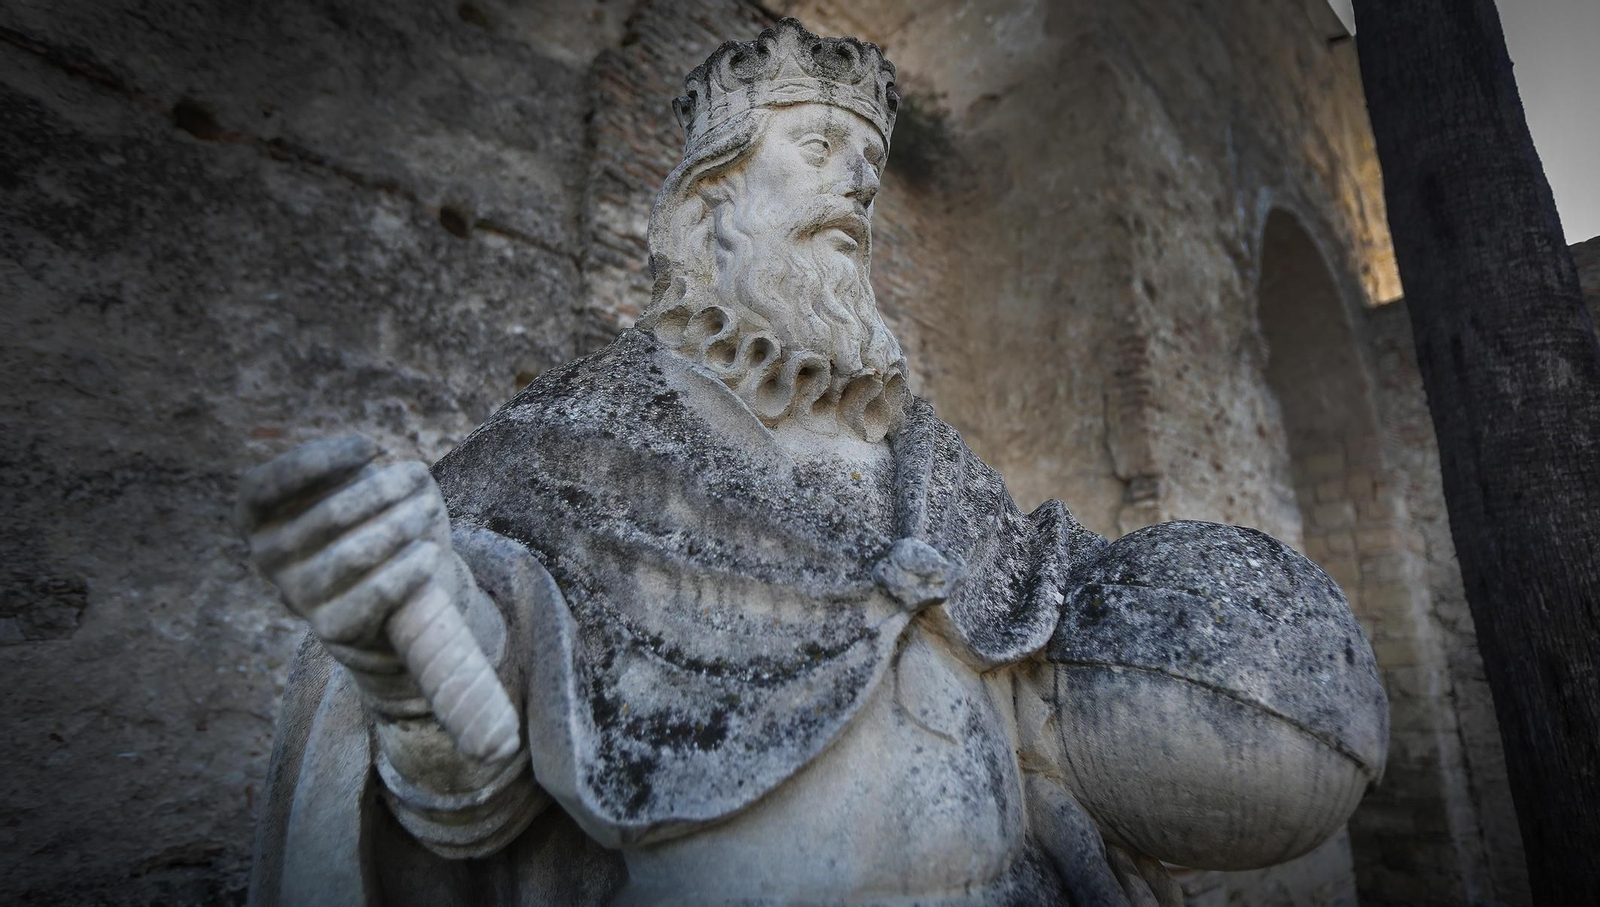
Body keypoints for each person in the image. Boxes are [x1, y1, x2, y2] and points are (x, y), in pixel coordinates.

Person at [243, 19, 1381, 906]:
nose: (858, 189)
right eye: (821, 148)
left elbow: (1051, 698)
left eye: (872, 163)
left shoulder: (938, 471)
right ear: (711, 199)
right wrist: (408, 648)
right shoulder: (566, 453)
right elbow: (470, 805)